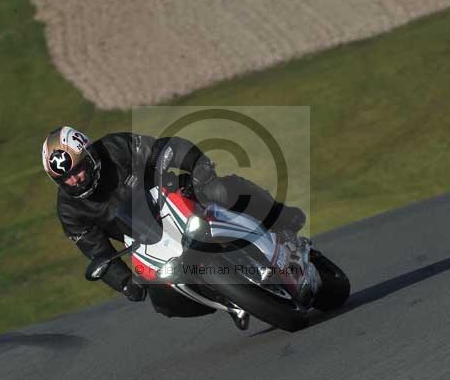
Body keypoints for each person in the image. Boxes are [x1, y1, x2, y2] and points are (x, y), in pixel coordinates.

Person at [41, 127, 306, 316]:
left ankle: (279, 216)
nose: (75, 179)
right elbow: (96, 251)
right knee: (163, 301)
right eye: (66, 178)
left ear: (90, 157)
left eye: (78, 170)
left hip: (171, 197)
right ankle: (227, 298)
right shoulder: (69, 210)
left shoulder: (114, 148)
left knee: (222, 191)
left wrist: (198, 166)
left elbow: (161, 149)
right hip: (146, 240)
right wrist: (123, 282)